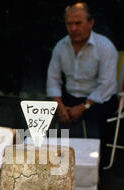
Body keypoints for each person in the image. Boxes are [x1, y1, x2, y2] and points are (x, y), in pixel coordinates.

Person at [46, 2, 118, 140]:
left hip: (98, 100)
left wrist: (83, 107)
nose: (73, 28)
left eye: (78, 23)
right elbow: (53, 79)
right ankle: (48, 156)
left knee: (94, 117)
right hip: (69, 96)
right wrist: (59, 106)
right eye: (69, 24)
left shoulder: (105, 47)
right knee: (40, 113)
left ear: (91, 23)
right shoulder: (60, 47)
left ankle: (96, 160)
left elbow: (106, 86)